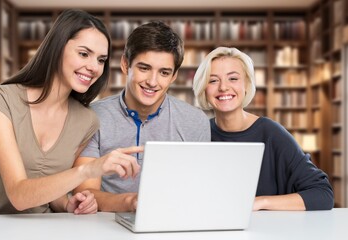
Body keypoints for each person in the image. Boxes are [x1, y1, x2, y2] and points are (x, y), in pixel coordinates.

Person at [0, 9, 142, 215]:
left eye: (101, 60)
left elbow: (50, 184)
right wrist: (89, 169)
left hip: (46, 229)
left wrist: (68, 204)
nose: (94, 67)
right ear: (57, 48)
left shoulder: (86, 120)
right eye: (84, 54)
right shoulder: (1, 100)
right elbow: (19, 195)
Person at [74, 21, 210, 212]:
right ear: (125, 64)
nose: (152, 82)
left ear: (173, 77)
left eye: (164, 72)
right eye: (144, 68)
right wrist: (132, 202)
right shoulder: (92, 117)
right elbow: (86, 193)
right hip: (105, 224)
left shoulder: (195, 122)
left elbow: (200, 189)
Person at [192, 46, 334, 211]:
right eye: (213, 80)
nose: (223, 87)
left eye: (233, 78)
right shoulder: (199, 135)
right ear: (204, 88)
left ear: (246, 85)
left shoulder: (271, 133)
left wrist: (260, 202)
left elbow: (323, 195)